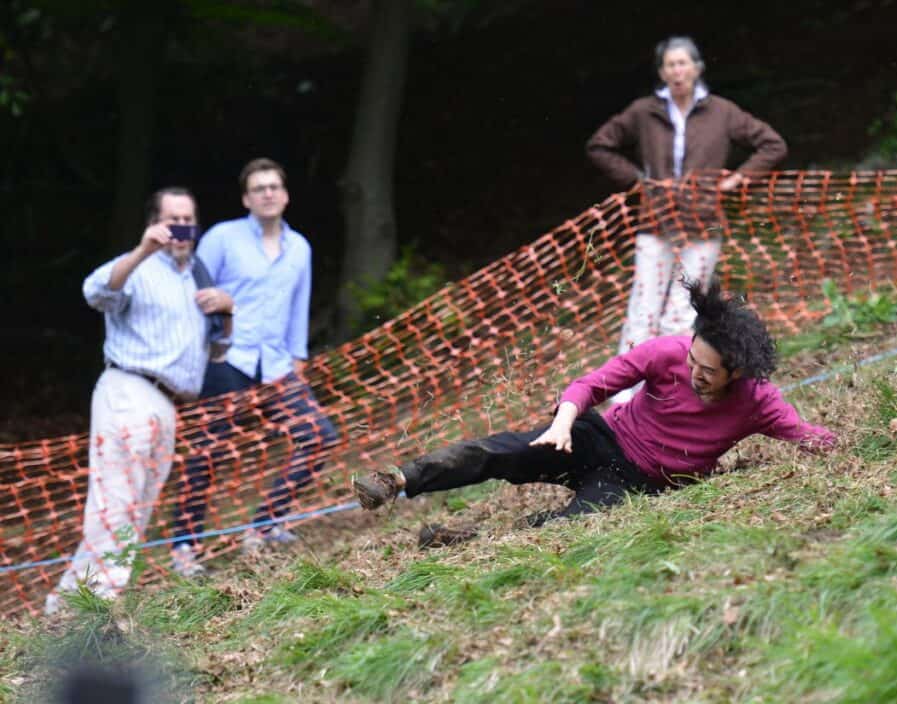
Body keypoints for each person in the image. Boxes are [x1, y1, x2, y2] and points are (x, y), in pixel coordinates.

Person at [353, 278, 835, 527]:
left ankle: (463, 541)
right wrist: (563, 423)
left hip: (646, 481)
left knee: (569, 527)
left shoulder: (759, 402)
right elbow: (591, 385)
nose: (695, 375)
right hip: (599, 437)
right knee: (500, 452)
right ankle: (397, 479)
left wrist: (864, 439)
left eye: (708, 373)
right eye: (693, 363)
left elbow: (808, 436)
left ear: (739, 373)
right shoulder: (667, 352)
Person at [46, 188, 234, 614]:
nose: (182, 230)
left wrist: (229, 308)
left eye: (189, 220)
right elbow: (96, 292)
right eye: (173, 221)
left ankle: (67, 604)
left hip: (169, 403)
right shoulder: (140, 266)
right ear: (156, 223)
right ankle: (99, 607)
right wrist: (143, 249)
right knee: (116, 500)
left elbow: (218, 350)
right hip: (129, 391)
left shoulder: (199, 276)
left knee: (139, 506)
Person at [586, 36, 787, 401]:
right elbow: (600, 144)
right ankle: (623, 397)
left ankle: (667, 390)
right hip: (656, 222)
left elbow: (772, 144)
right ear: (662, 72)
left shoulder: (722, 111)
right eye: (670, 65)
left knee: (682, 311)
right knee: (642, 310)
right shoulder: (644, 111)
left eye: (684, 63)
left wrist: (738, 179)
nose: (678, 71)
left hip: (702, 224)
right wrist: (639, 182)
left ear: (697, 67)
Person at [170, 158, 337, 571]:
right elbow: (194, 290)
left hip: (278, 365)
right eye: (259, 188)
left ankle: (264, 526)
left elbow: (299, 306)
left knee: (319, 435)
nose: (267, 193)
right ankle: (184, 547)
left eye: (274, 187)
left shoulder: (300, 248)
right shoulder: (222, 238)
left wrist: (298, 357)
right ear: (246, 198)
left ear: (286, 195)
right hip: (228, 358)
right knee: (210, 452)